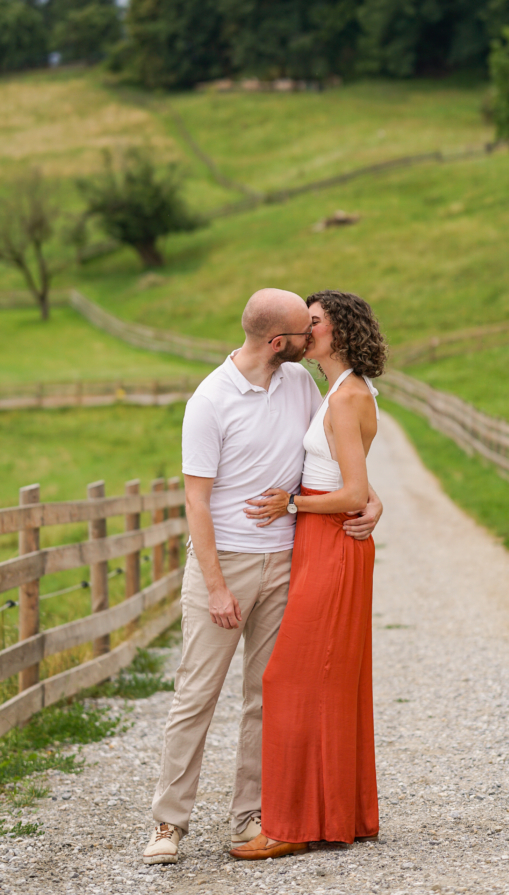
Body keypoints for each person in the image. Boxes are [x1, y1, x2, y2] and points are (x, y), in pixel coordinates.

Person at [143, 288, 383, 865]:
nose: (310, 337)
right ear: (280, 342)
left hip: (289, 562)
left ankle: (251, 814)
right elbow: (196, 503)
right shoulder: (210, 400)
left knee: (264, 696)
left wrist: (373, 499)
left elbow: (333, 457)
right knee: (196, 694)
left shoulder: (303, 385)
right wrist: (217, 585)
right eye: (305, 330)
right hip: (224, 563)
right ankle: (168, 824)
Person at [231, 289, 387, 861]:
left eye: (313, 323)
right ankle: (339, 813)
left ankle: (291, 825)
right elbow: (357, 479)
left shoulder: (345, 399)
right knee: (322, 682)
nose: (305, 331)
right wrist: (373, 499)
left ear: (337, 333)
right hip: (323, 542)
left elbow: (346, 489)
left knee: (289, 680)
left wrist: (291, 505)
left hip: (331, 542)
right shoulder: (337, 391)